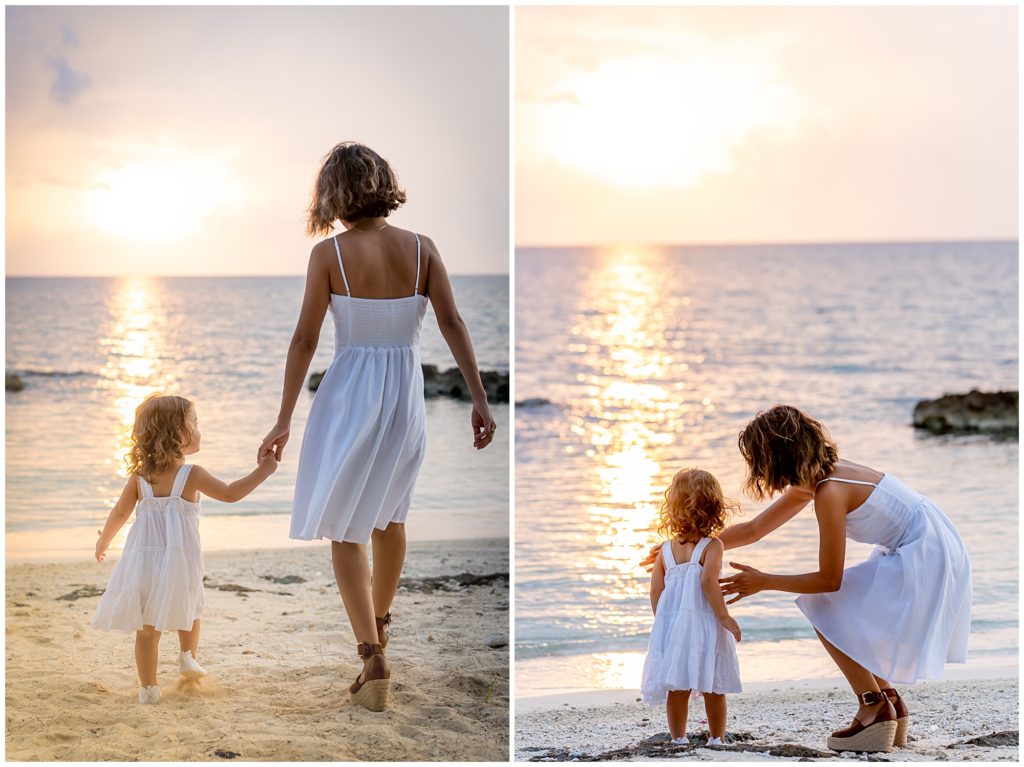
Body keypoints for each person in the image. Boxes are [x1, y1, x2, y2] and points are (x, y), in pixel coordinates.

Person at [259, 142, 497, 712]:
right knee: (391, 515)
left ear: (333, 194)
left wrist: (284, 419)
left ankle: (372, 654)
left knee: (347, 528)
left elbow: (304, 341)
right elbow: (452, 323)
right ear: (382, 183)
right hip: (405, 392)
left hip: (350, 393)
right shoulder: (422, 249)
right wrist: (480, 399)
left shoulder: (329, 256)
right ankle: (381, 625)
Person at [719, 404, 972, 753]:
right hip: (933, 545)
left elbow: (828, 580)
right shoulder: (823, 478)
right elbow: (755, 528)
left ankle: (873, 704)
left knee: (825, 605)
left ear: (774, 458)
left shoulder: (830, 492)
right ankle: (889, 702)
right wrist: (691, 544)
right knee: (845, 611)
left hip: (925, 553)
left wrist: (764, 580)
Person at [93, 394, 278, 703]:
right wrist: (265, 470)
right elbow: (231, 494)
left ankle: (148, 689)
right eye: (194, 422)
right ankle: (186, 655)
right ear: (177, 433)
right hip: (180, 560)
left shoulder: (140, 478)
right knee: (190, 607)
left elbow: (120, 514)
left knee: (147, 628)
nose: (198, 427)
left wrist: (104, 541)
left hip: (143, 562)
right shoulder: (191, 475)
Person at [640, 468, 742, 745]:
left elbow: (656, 590)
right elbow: (709, 582)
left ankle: (679, 738)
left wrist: (662, 621)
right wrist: (724, 617)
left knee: (678, 685)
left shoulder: (664, 549)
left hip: (674, 626)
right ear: (713, 507)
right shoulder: (713, 545)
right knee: (713, 684)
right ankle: (716, 738)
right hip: (706, 622)